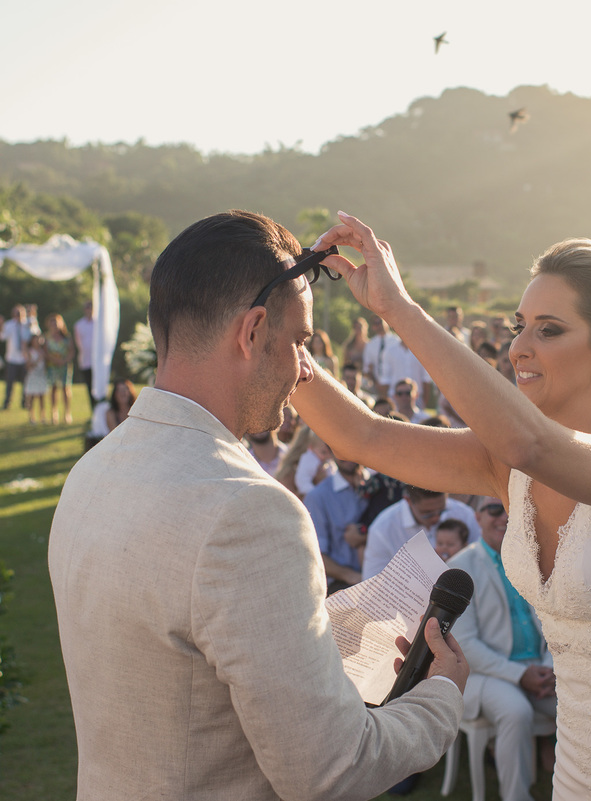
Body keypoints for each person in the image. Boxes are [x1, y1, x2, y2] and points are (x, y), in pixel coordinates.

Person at [292, 215, 591, 800]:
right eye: (519, 326)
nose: (518, 348)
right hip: (579, 767)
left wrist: (398, 308)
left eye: (548, 330)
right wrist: (278, 332)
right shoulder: (505, 464)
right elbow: (362, 437)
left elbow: (530, 443)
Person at [47, 210, 466, 800]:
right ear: (252, 331)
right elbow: (331, 770)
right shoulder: (249, 513)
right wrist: (440, 695)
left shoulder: (92, 471)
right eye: (300, 342)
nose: (304, 372)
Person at [447, 496, 556, 801]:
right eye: (494, 508)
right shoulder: (460, 566)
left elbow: (555, 622)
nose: (504, 516)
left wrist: (549, 666)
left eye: (511, 508)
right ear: (477, 517)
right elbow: (466, 645)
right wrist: (519, 675)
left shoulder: (534, 558)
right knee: (515, 710)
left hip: (539, 666)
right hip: (485, 674)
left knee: (579, 705)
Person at [363, 484, 481, 579]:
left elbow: (480, 562)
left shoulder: (465, 515)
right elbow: (373, 582)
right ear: (408, 500)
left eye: (442, 510)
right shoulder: (383, 528)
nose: (436, 518)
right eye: (427, 513)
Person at [304, 457, 369, 592]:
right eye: (342, 449)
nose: (347, 455)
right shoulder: (317, 497)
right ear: (331, 451)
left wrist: (364, 535)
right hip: (343, 585)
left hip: (383, 578)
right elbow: (315, 555)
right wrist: (351, 576)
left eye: (354, 448)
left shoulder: (385, 485)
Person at [44, 312, 75, 424]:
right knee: (53, 389)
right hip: (52, 366)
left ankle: (67, 412)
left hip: (64, 366)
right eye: (52, 323)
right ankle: (54, 413)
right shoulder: (47, 338)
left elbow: (71, 351)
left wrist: (64, 360)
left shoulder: (67, 337)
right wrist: (54, 360)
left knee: (65, 388)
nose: (54, 325)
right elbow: (46, 352)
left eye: (56, 323)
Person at [2, 304, 28, 410]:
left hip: (24, 358)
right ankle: (7, 402)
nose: (18, 315)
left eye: (20, 313)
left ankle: (25, 402)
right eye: (16, 313)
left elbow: (35, 335)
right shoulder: (9, 325)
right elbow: (2, 337)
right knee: (10, 382)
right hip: (12, 358)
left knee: (25, 382)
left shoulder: (27, 324)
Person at [24, 332, 49, 424]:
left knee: (42, 397)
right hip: (33, 376)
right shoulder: (30, 352)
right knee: (32, 397)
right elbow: (28, 366)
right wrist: (38, 359)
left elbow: (46, 364)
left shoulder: (43, 351)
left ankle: (43, 417)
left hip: (41, 376)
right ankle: (32, 417)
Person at [74, 301, 96, 408]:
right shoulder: (79, 325)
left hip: (98, 361)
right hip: (86, 360)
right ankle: (93, 408)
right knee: (89, 385)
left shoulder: (99, 323)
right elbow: (78, 342)